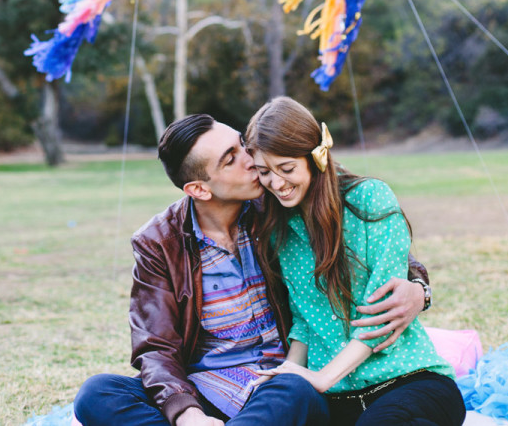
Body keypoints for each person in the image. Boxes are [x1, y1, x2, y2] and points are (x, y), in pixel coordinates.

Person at [74, 113, 429, 426]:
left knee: (295, 392)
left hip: (278, 385)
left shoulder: (277, 205)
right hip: (208, 389)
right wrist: (189, 415)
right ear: (199, 188)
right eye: (231, 159)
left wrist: (418, 286)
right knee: (97, 394)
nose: (252, 160)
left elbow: (369, 250)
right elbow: (155, 347)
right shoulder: (159, 243)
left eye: (242, 145)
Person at [245, 96, 466, 426]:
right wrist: (290, 375)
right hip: (337, 400)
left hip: (407, 381)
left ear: (315, 156)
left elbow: (382, 310)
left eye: (287, 168)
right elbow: (305, 320)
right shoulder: (282, 233)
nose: (276, 183)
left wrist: (322, 378)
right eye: (264, 172)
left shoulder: (369, 200)